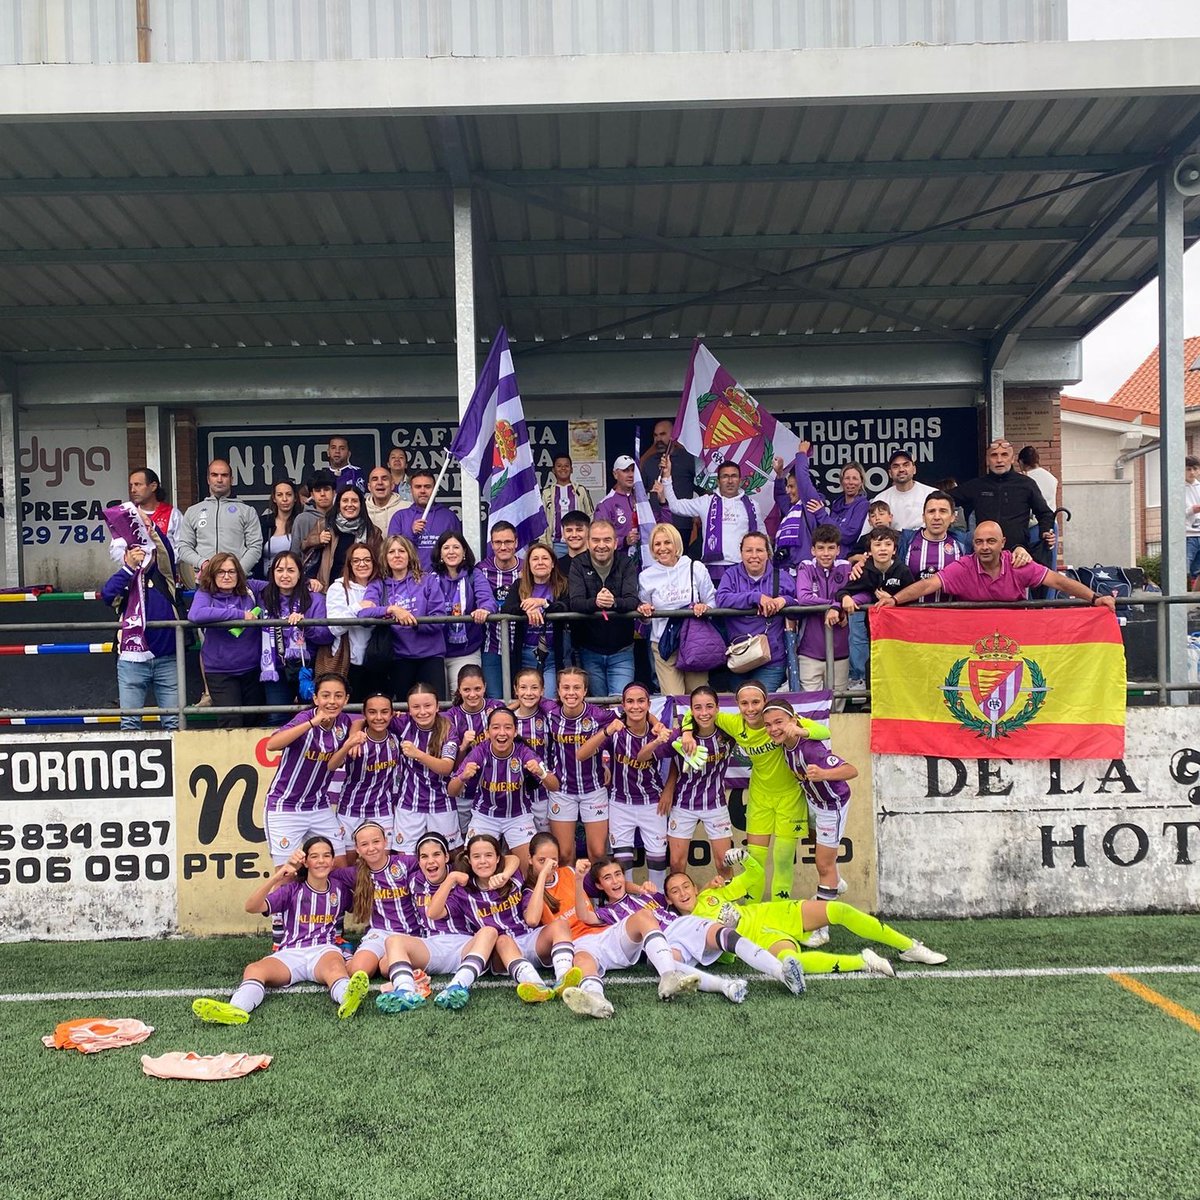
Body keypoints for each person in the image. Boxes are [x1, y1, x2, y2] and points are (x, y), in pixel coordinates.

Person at [665, 848, 946, 976]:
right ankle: (864, 962)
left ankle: (909, 947)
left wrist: (745, 858)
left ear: (695, 886)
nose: (683, 892)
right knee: (792, 964)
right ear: (670, 901)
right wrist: (731, 932)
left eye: (685, 886)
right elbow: (724, 959)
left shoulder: (713, 895)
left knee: (839, 911)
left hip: (773, 914)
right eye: (675, 891)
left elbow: (756, 876)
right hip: (761, 941)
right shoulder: (685, 927)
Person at [191, 837, 370, 1025]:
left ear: (333, 861)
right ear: (305, 862)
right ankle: (236, 1009)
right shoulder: (291, 890)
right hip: (290, 953)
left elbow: (361, 908)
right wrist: (278, 877)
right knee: (254, 969)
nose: (321, 861)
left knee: (335, 968)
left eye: (326, 856)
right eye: (315, 856)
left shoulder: (339, 889)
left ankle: (348, 998)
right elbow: (251, 906)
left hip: (324, 949)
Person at [680, 679, 830, 903]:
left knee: (782, 858)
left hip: (790, 797)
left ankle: (781, 913)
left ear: (765, 701)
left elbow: (824, 731)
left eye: (756, 702)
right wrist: (686, 733)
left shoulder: (780, 720)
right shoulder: (733, 722)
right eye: (744, 703)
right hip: (759, 796)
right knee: (754, 860)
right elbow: (695, 714)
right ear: (738, 705)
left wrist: (801, 730)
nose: (750, 709)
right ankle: (752, 911)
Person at [425, 834, 567, 1004]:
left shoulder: (512, 877)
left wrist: (505, 875)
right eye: (476, 856)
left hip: (527, 939)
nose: (483, 861)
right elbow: (433, 913)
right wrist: (452, 878)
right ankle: (536, 986)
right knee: (501, 939)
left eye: (489, 855)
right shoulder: (464, 892)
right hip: (500, 952)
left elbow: (513, 859)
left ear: (498, 858)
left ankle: (564, 981)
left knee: (560, 925)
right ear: (469, 860)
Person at [763, 699, 859, 944]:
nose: (773, 729)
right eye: (768, 725)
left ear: (794, 721)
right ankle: (835, 882)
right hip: (813, 803)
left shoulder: (811, 749)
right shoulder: (786, 744)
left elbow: (851, 770)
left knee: (823, 865)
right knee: (819, 849)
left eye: (779, 723)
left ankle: (822, 928)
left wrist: (824, 774)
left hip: (831, 806)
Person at [380, 831, 502, 1012]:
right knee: (390, 949)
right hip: (433, 945)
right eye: (424, 856)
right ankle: (406, 991)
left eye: (436, 854)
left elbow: (512, 859)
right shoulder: (415, 881)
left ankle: (457, 986)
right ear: (418, 861)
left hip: (465, 944)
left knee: (489, 931)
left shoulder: (463, 875)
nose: (431, 861)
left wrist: (452, 878)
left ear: (446, 857)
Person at [884, 521, 1117, 609]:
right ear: (973, 544)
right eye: (979, 542)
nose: (985, 547)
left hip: (1014, 640)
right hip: (971, 642)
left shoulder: (1018, 564)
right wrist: (893, 601)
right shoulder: (963, 567)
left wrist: (1095, 598)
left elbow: (1058, 581)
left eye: (991, 541)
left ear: (1003, 543)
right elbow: (926, 586)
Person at [577, 682, 673, 890]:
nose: (635, 706)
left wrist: (669, 789)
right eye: (630, 701)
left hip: (653, 803)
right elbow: (581, 754)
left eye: (641, 701)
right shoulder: (615, 730)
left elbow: (677, 761)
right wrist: (606, 731)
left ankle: (655, 904)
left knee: (657, 861)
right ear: (622, 705)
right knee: (622, 864)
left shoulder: (660, 732)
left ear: (648, 704)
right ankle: (625, 906)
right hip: (620, 803)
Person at [449, 707, 560, 872]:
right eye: (495, 727)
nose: (502, 732)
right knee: (473, 867)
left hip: (518, 817)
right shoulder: (480, 751)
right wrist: (462, 777)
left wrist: (541, 772)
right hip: (485, 817)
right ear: (487, 732)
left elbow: (554, 785)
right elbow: (451, 791)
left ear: (515, 732)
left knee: (530, 869)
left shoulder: (524, 752)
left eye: (508, 727)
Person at [260, 672, 354, 867]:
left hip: (318, 806)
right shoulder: (305, 718)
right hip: (285, 806)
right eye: (325, 695)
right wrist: (311, 723)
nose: (332, 701)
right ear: (315, 698)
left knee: (339, 865)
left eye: (338, 696)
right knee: (287, 874)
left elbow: (333, 764)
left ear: (346, 699)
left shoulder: (344, 723)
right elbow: (272, 744)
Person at [338, 820, 425, 1006]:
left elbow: (433, 867)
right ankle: (347, 958)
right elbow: (321, 875)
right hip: (379, 933)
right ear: (358, 849)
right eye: (364, 844)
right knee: (358, 970)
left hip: (409, 934)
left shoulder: (406, 863)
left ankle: (401, 975)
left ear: (386, 841)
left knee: (387, 968)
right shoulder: (353, 873)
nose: (371, 848)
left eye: (376, 842)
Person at [101, 533, 181, 731]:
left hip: (167, 658)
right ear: (126, 555)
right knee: (130, 723)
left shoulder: (166, 578)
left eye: (146, 549)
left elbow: (167, 551)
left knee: (174, 722)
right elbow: (107, 594)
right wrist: (129, 567)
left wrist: (150, 527)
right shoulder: (125, 580)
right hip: (131, 659)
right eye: (135, 550)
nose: (141, 553)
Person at [536, 667, 613, 863]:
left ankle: (596, 895)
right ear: (558, 691)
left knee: (597, 853)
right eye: (566, 687)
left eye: (577, 687)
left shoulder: (600, 715)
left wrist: (607, 765)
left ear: (585, 691)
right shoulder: (549, 710)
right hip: (562, 790)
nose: (571, 693)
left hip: (594, 789)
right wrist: (503, 711)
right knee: (564, 854)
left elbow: (636, 716)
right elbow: (522, 699)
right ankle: (569, 894)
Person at [659, 456, 778, 583]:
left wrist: (770, 562)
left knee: (743, 603)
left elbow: (762, 535)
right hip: (714, 569)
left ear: (740, 480)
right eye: (725, 476)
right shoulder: (705, 502)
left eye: (734, 476)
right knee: (715, 603)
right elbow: (675, 506)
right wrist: (666, 476)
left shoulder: (753, 505)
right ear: (718, 481)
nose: (730, 481)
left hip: (743, 569)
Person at [658, 686, 735, 875]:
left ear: (717, 708)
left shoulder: (727, 734)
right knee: (676, 863)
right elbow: (669, 759)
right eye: (698, 708)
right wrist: (668, 788)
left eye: (709, 707)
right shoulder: (679, 736)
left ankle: (730, 902)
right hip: (683, 804)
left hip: (715, 804)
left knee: (723, 863)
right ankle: (679, 903)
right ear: (691, 710)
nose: (704, 713)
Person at [250, 550, 333, 721]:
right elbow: (241, 581)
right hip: (275, 669)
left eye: (291, 570)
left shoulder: (315, 599)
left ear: (300, 573)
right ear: (272, 573)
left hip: (307, 669)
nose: (285, 575)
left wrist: (305, 626)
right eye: (279, 570)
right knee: (276, 718)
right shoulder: (264, 596)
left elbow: (326, 636)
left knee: (313, 717)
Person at [362, 534, 447, 701]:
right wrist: (392, 610)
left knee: (435, 707)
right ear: (385, 557)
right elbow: (363, 614)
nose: (397, 555)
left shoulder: (427, 580)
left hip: (431, 655)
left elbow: (439, 617)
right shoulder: (378, 584)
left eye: (401, 551)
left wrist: (413, 621)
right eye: (391, 552)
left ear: (409, 554)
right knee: (403, 709)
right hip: (399, 657)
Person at [636, 521, 717, 697]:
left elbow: (712, 600)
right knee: (674, 699)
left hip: (694, 640)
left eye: (667, 542)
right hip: (663, 644)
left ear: (676, 544)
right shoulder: (646, 576)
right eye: (657, 544)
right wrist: (644, 611)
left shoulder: (695, 568)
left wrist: (705, 607)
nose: (662, 548)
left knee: (699, 696)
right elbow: (645, 616)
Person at [188, 554, 266, 727]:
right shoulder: (205, 594)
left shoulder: (250, 589)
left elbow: (282, 585)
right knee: (232, 723)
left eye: (231, 571)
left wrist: (309, 583)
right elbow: (195, 614)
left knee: (254, 722)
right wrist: (239, 615)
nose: (226, 576)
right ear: (213, 575)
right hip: (220, 672)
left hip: (253, 670)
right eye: (221, 572)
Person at [567, 518, 640, 696]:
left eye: (607, 540)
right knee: (598, 707)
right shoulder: (577, 563)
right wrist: (595, 603)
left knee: (620, 703)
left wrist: (613, 602)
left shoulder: (626, 563)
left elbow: (632, 601)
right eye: (596, 540)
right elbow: (574, 602)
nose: (601, 545)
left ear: (615, 543)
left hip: (622, 649)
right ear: (588, 543)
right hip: (589, 649)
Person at [952, 438, 1055, 562]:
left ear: (1012, 459)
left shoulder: (1026, 484)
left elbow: (1045, 513)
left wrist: (1045, 531)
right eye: (994, 455)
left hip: (1017, 556)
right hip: (985, 557)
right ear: (987, 460)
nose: (999, 460)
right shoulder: (977, 485)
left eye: (1004, 455)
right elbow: (945, 500)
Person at [390, 682, 461, 852]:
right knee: (405, 857)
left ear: (437, 706)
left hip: (441, 802)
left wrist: (418, 754)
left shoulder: (448, 728)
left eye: (428, 706)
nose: (422, 712)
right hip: (409, 803)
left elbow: (446, 767)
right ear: (409, 709)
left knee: (448, 855)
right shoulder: (403, 723)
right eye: (416, 707)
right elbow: (367, 721)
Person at [715, 531, 789, 694]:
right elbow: (721, 599)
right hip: (739, 657)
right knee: (743, 708)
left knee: (759, 703)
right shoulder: (731, 575)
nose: (754, 555)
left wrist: (784, 601)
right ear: (741, 553)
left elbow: (799, 602)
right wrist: (755, 597)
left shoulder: (781, 576)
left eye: (759, 550)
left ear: (768, 553)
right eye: (749, 550)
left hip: (771, 660)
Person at [176, 458, 262, 587]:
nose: (219, 479)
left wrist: (237, 572)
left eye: (224, 475)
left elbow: (255, 547)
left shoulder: (247, 511)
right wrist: (203, 563)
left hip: (238, 583)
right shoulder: (193, 511)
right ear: (208, 479)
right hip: (205, 581)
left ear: (231, 480)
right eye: (214, 475)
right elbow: (183, 547)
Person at [328, 697, 401, 842]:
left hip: (382, 810)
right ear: (364, 714)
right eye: (372, 712)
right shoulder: (355, 738)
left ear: (392, 714)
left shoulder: (397, 738)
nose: (379, 717)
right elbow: (331, 766)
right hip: (350, 809)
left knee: (380, 858)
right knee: (346, 861)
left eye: (385, 712)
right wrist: (349, 745)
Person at [793, 524, 852, 703]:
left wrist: (844, 605)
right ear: (813, 549)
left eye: (831, 548)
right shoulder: (806, 567)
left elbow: (862, 593)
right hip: (810, 652)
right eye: (821, 548)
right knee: (812, 707)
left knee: (837, 706)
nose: (826, 553)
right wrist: (835, 605)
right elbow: (803, 597)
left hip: (841, 652)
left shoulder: (846, 567)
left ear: (838, 549)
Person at [325, 544, 390, 700]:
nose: (362, 564)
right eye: (357, 560)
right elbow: (334, 628)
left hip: (379, 658)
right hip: (349, 662)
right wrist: (358, 608)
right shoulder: (338, 588)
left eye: (367, 560)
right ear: (350, 564)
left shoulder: (383, 585)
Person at [503, 544, 568, 699]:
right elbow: (506, 609)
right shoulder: (519, 586)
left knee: (549, 699)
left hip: (553, 653)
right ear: (529, 565)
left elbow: (567, 606)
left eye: (545, 558)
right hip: (526, 652)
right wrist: (525, 608)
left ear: (552, 564)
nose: (540, 562)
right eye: (535, 559)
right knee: (528, 698)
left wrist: (544, 603)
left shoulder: (563, 585)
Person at [431, 531, 491, 697]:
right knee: (436, 701)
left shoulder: (474, 575)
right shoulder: (430, 578)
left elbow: (487, 599)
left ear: (464, 551)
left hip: (466, 651)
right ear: (440, 553)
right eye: (446, 547)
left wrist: (484, 609)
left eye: (456, 547)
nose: (451, 551)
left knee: (464, 698)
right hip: (435, 652)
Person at [476, 521, 523, 699]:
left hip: (522, 646)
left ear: (516, 542)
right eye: (498, 542)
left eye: (508, 542)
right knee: (495, 700)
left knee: (524, 699)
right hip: (492, 646)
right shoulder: (482, 569)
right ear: (491, 543)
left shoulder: (526, 568)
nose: (503, 547)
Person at [306, 486, 383, 590]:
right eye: (345, 501)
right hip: (326, 588)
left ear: (361, 504)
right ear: (338, 504)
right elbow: (304, 547)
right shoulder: (325, 524)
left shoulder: (373, 532)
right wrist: (318, 540)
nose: (350, 505)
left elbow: (380, 563)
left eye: (354, 501)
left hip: (360, 589)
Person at [386, 469, 463, 571]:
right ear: (411, 490)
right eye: (418, 487)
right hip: (409, 580)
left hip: (441, 579)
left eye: (427, 487)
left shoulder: (449, 517)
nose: (422, 491)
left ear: (435, 489)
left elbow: (459, 550)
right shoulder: (400, 517)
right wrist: (411, 533)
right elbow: (391, 552)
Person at [640, 419, 698, 550]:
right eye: (655, 435)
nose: (658, 439)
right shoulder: (649, 462)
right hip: (656, 523)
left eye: (662, 434)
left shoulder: (688, 459)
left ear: (673, 436)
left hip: (681, 523)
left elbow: (704, 489)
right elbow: (641, 492)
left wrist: (698, 514)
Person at [107, 467, 183, 563]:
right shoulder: (126, 515)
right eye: (131, 485)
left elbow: (182, 547)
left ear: (153, 486)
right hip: (135, 574)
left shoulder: (173, 514)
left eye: (138, 485)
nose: (133, 490)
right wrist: (131, 559)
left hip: (166, 574)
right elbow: (115, 549)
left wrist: (158, 562)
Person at [864, 451, 934, 534]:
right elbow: (866, 534)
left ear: (914, 469)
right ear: (890, 473)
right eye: (896, 466)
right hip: (894, 544)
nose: (901, 469)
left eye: (906, 465)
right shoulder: (881, 498)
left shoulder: (931, 494)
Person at [541, 454, 595, 557]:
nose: (563, 468)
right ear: (553, 470)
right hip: (557, 545)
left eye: (566, 465)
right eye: (559, 466)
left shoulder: (581, 490)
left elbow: (590, 515)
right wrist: (544, 543)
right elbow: (542, 520)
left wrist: (589, 539)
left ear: (571, 469)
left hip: (580, 543)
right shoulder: (547, 492)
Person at [592, 454, 642, 556]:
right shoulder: (606, 504)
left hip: (642, 559)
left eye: (633, 470)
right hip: (618, 562)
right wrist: (624, 541)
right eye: (625, 470)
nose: (631, 475)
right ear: (615, 474)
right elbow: (599, 537)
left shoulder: (641, 499)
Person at [290, 468, 338, 571]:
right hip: (308, 578)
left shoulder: (341, 517)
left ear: (334, 492)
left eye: (326, 489)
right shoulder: (302, 519)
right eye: (317, 490)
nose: (322, 494)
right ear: (312, 495)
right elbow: (294, 554)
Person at [257, 479, 299, 579]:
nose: (284, 499)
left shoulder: (301, 522)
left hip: (293, 579)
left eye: (289, 494)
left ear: (295, 498)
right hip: (266, 581)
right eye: (280, 495)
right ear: (274, 498)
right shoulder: (264, 522)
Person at [364, 464, 408, 537]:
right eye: (375, 479)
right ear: (369, 487)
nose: (380, 482)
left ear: (392, 485)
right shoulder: (361, 509)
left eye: (384, 479)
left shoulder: (407, 508)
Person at [1018, 446, 1059, 514]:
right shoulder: (1052, 478)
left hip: (1033, 522)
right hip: (1051, 519)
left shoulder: (1021, 478)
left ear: (1021, 462)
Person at [1187, 457, 1200, 587]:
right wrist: (1192, 510)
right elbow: (1173, 512)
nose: (1192, 472)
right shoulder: (1178, 488)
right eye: (1188, 469)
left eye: (1195, 469)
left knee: (1198, 572)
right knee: (1184, 569)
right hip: (1187, 535)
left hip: (1199, 533)